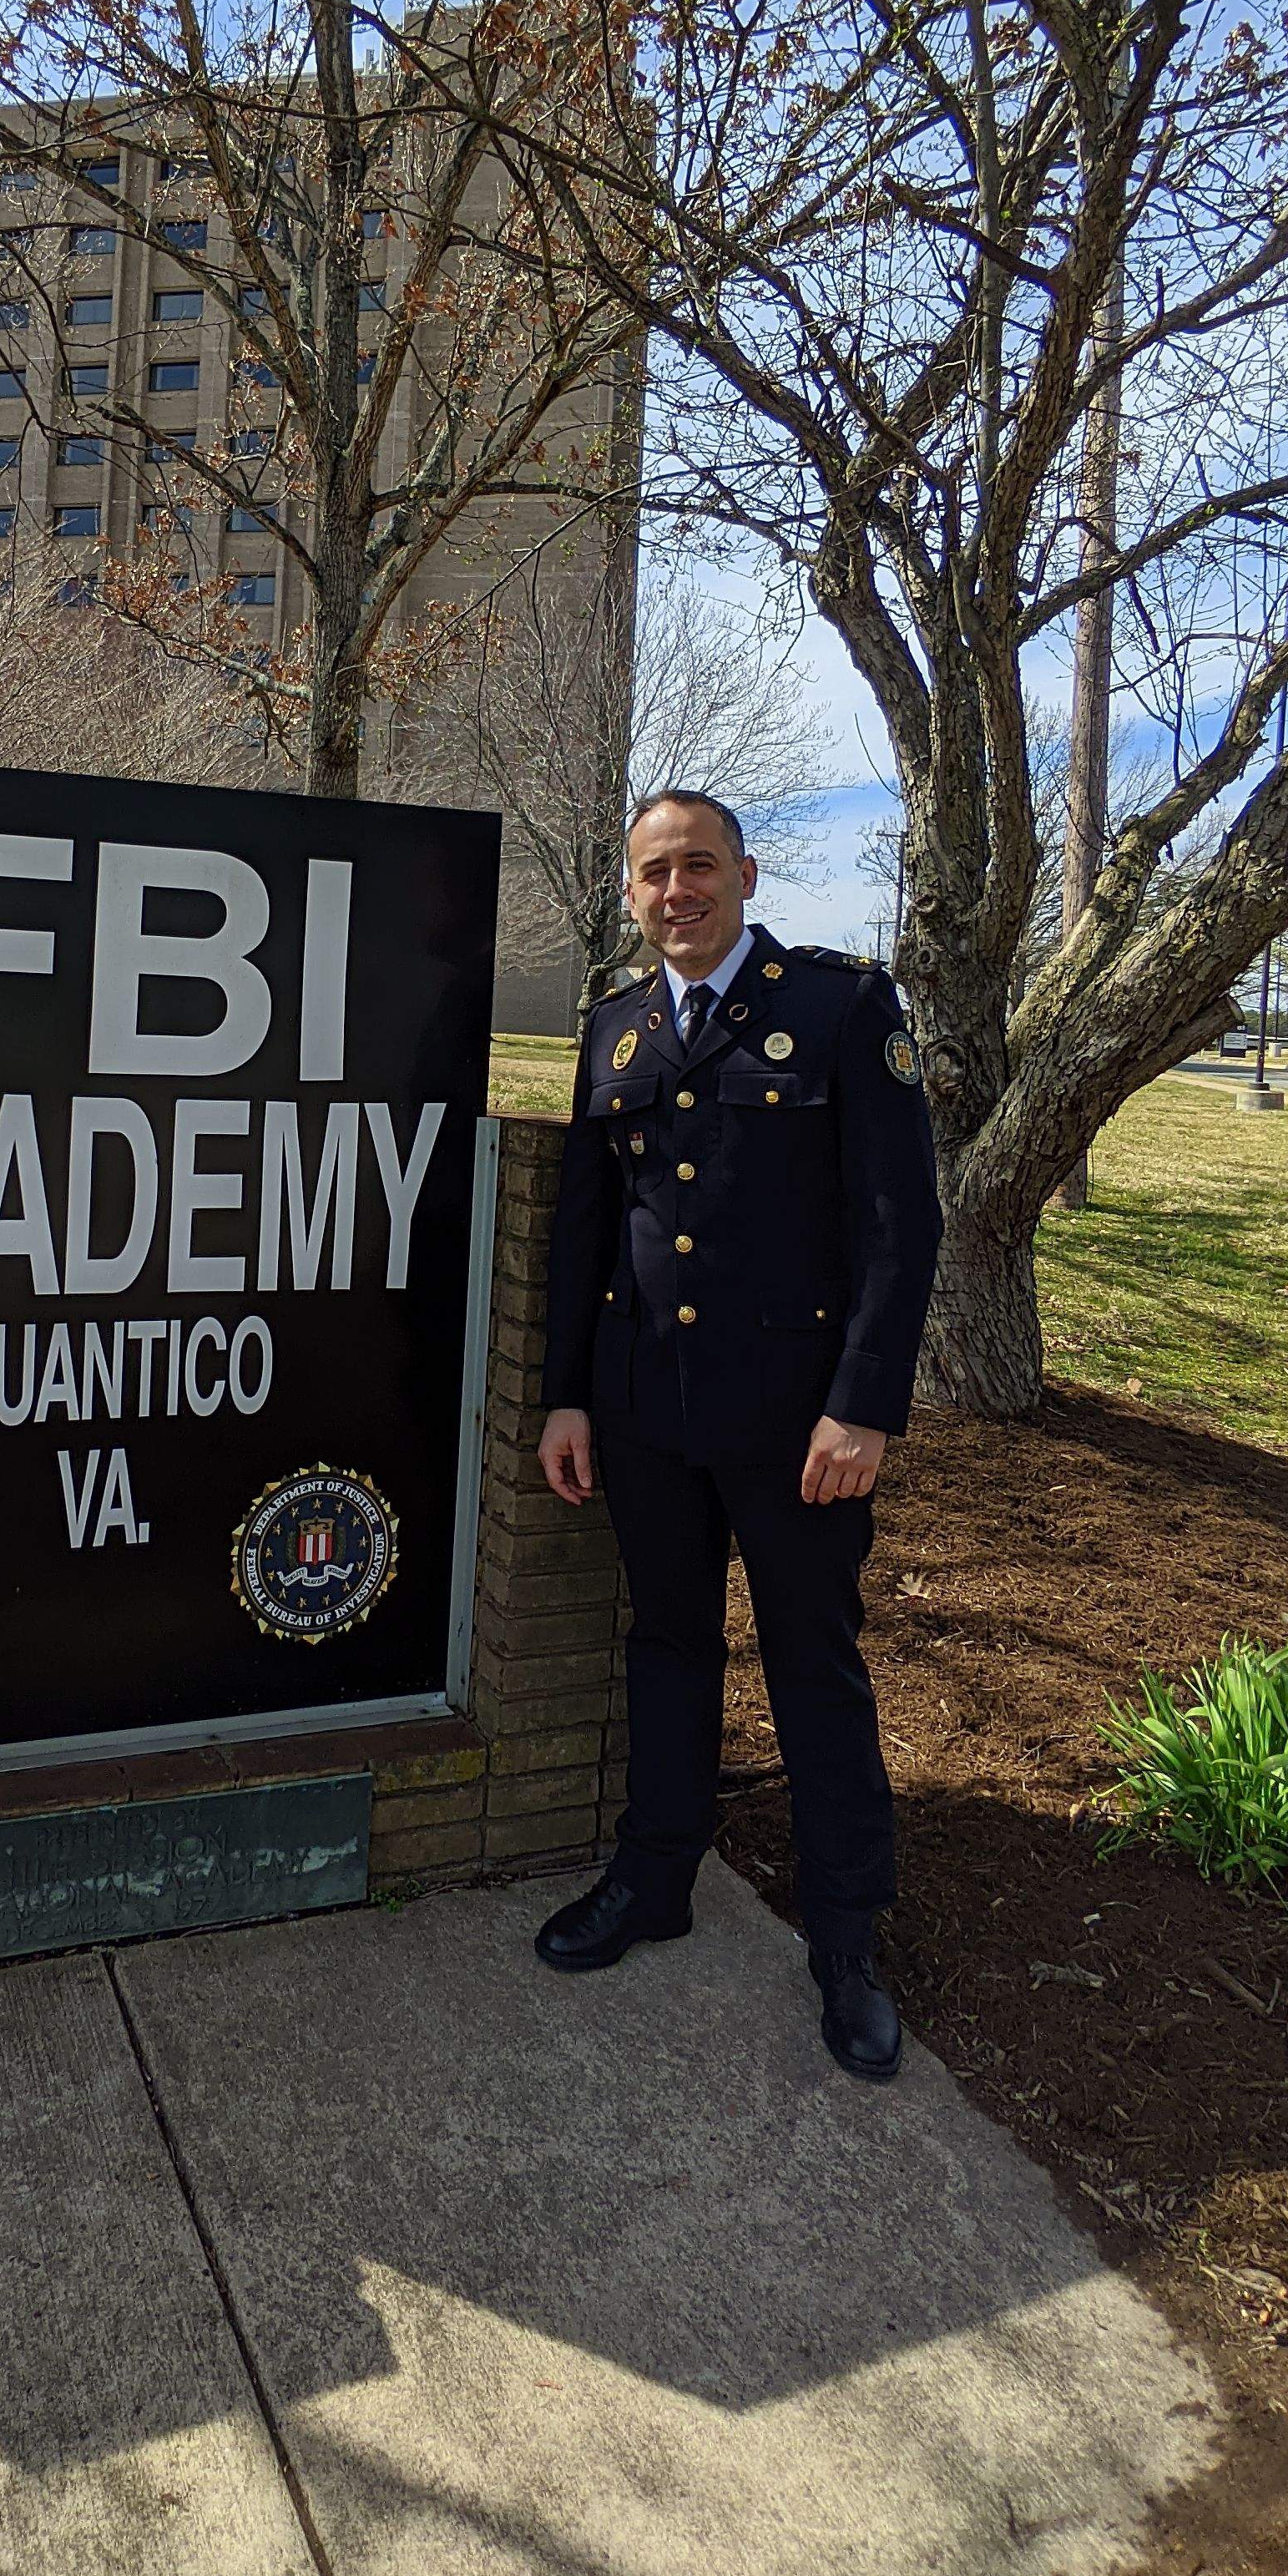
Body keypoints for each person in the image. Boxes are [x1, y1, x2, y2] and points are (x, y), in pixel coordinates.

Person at [534, 788, 942, 2081]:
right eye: (654, 872)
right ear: (631, 893)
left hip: (795, 1425)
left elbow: (900, 1223)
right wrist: (566, 1395)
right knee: (666, 1644)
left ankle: (843, 1938)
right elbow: (587, 1234)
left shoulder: (837, 1008)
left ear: (745, 874)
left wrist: (865, 1405)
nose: (677, 891)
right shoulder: (612, 1029)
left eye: (698, 865)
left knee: (812, 1664)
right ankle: (656, 1879)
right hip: (648, 1414)